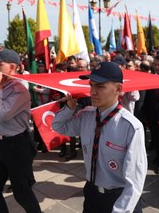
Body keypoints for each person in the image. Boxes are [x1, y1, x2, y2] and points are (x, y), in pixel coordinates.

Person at [52, 62, 147, 213]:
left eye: (100, 86)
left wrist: (120, 210)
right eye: (91, 85)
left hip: (119, 197)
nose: (93, 92)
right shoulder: (86, 116)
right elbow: (58, 126)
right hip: (92, 193)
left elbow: (135, 180)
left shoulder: (131, 126)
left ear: (118, 89)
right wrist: (70, 108)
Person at [0, 49, 41, 213]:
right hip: (0, 143)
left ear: (13, 67)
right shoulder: (0, 83)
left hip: (17, 145)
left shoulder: (19, 90)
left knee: (22, 193)